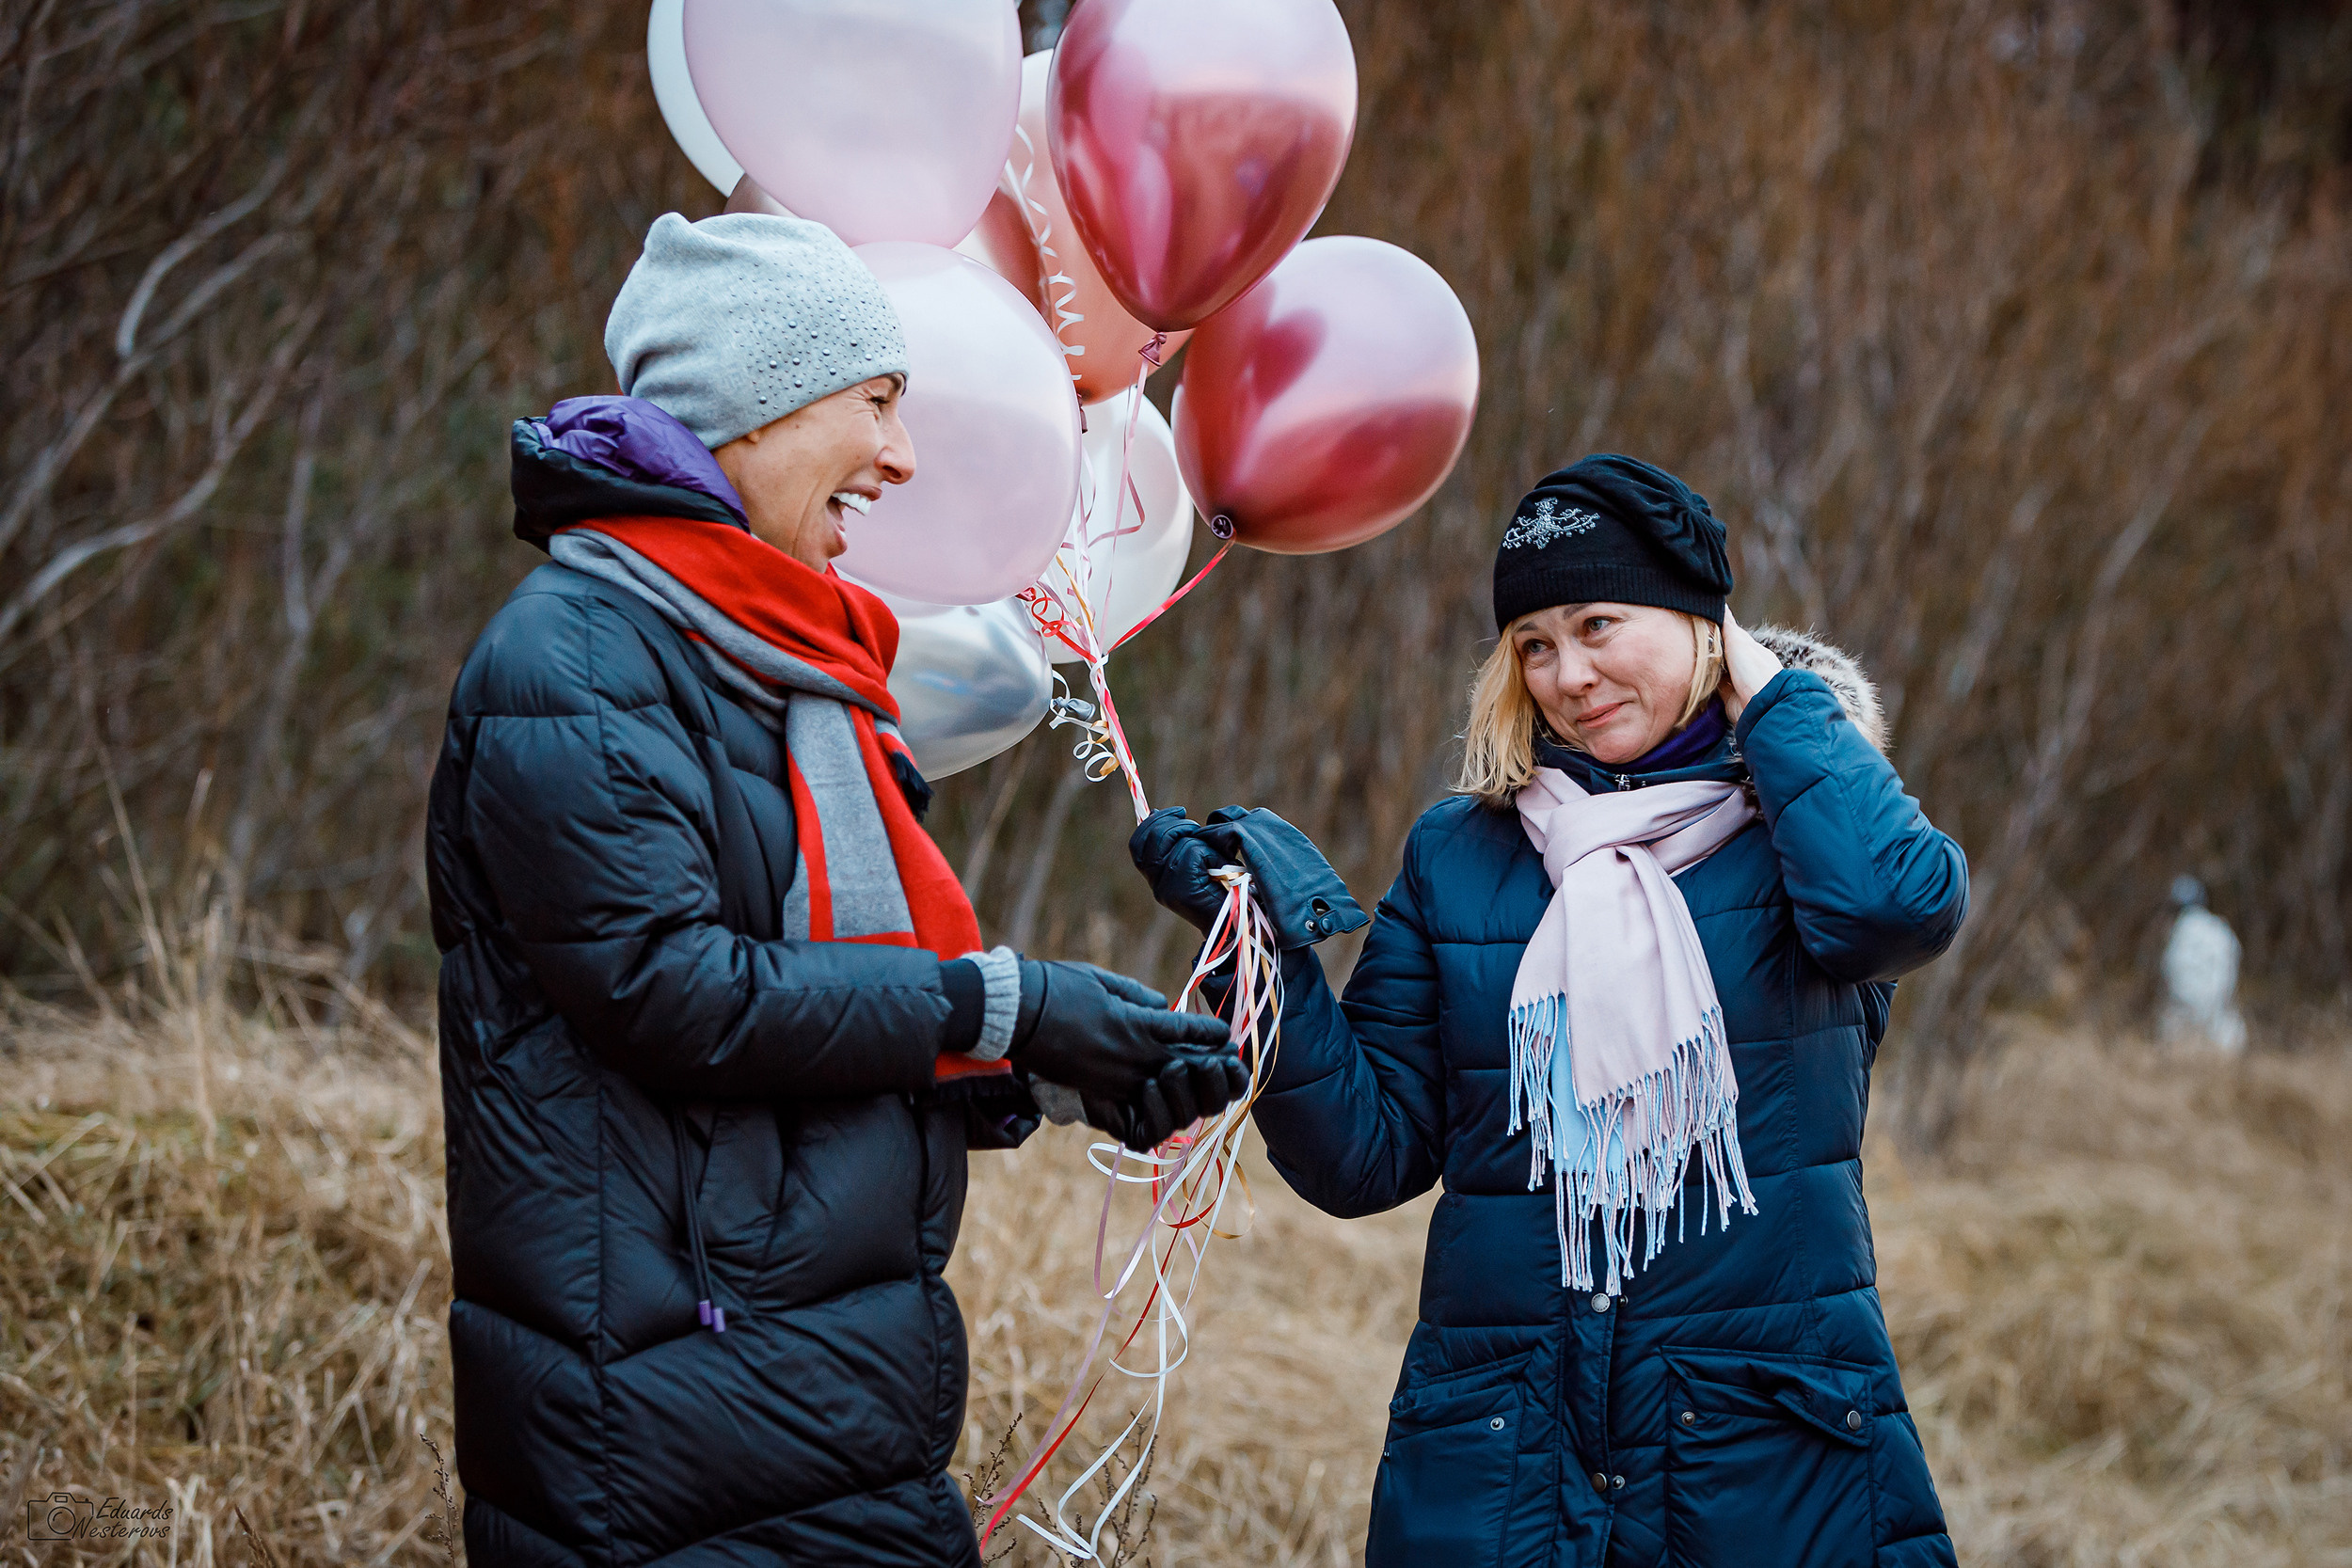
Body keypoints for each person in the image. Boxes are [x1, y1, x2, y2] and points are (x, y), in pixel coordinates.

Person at [426, 212, 1243, 1567]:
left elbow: (829, 1015)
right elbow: (676, 994)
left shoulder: (785, 657)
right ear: (758, 401)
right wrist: (1010, 1008)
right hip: (666, 1437)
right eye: (875, 403)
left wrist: (1042, 1066)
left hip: (826, 1406)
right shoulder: (575, 658)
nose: (903, 457)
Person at [1133, 455, 1970, 1567]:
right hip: (1505, 1454)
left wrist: (1773, 698)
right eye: (1533, 642)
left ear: (1699, 619)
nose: (1567, 673)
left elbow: (1895, 908)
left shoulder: (1802, 828)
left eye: (1598, 623)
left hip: (1766, 1455)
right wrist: (1258, 950)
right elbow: (1363, 1154)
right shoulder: (1465, 849)